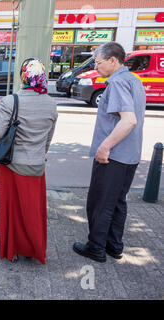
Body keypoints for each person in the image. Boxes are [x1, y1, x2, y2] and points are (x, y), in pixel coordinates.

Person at [73, 42, 146, 263]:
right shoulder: (134, 80)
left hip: (113, 156)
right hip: (129, 156)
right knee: (117, 202)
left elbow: (129, 120)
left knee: (100, 203)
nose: (96, 67)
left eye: (98, 62)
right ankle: (114, 245)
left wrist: (105, 146)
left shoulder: (117, 82)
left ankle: (96, 247)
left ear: (113, 60)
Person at [0, 58, 57, 265]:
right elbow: (48, 138)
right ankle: (33, 248)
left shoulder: (10, 101)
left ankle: (13, 249)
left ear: (23, 76)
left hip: (11, 164)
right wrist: (39, 154)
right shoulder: (51, 104)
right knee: (32, 210)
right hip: (37, 165)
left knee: (12, 208)